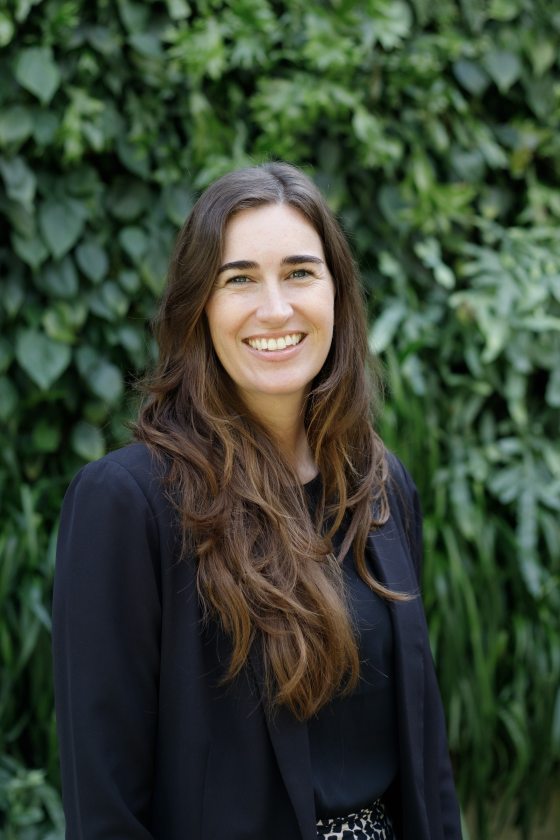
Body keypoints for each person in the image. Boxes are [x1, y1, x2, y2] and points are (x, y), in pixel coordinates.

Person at [52, 162, 462, 840]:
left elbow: (426, 761)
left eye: (301, 272)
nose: (276, 308)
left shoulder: (381, 486)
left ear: (337, 294)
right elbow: (106, 810)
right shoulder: (127, 506)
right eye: (239, 278)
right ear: (199, 308)